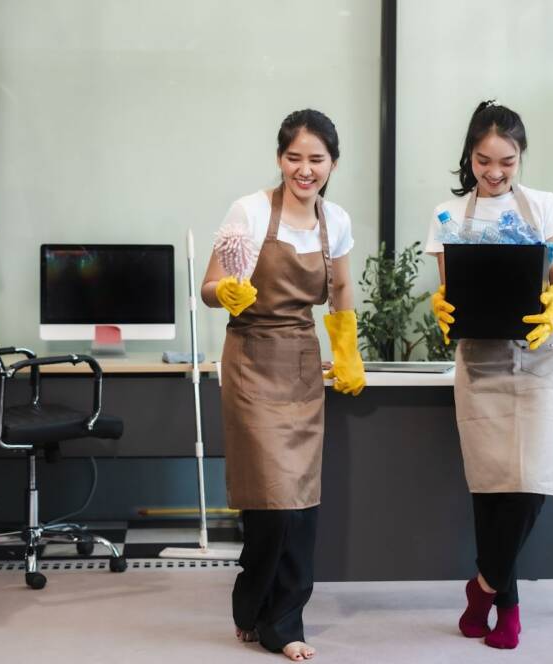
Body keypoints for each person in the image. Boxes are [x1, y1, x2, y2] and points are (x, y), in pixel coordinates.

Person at [201, 109, 365, 661]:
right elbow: (209, 284)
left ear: (332, 164)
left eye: (316, 159)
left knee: (301, 501)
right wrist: (225, 293)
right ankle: (254, 599)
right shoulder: (248, 211)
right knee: (269, 499)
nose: (305, 169)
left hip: (301, 361)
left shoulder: (335, 221)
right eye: (294, 157)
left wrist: (347, 353)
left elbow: (341, 291)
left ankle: (283, 617)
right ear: (280, 159)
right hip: (249, 359)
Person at [426, 100, 553, 650]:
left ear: (520, 157)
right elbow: (449, 288)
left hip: (537, 360)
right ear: (469, 155)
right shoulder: (448, 215)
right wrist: (441, 306)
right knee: (491, 489)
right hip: (481, 363)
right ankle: (507, 608)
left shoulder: (546, 208)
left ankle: (484, 586)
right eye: (484, 160)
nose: (494, 172)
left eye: (507, 161)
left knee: (532, 486)